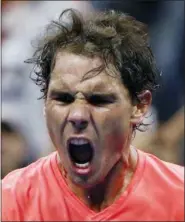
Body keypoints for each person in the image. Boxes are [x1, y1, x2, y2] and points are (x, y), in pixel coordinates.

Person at [2, 9, 184, 221]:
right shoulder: (10, 202)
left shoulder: (179, 197)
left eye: (99, 100)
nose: (77, 115)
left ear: (139, 106)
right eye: (63, 98)